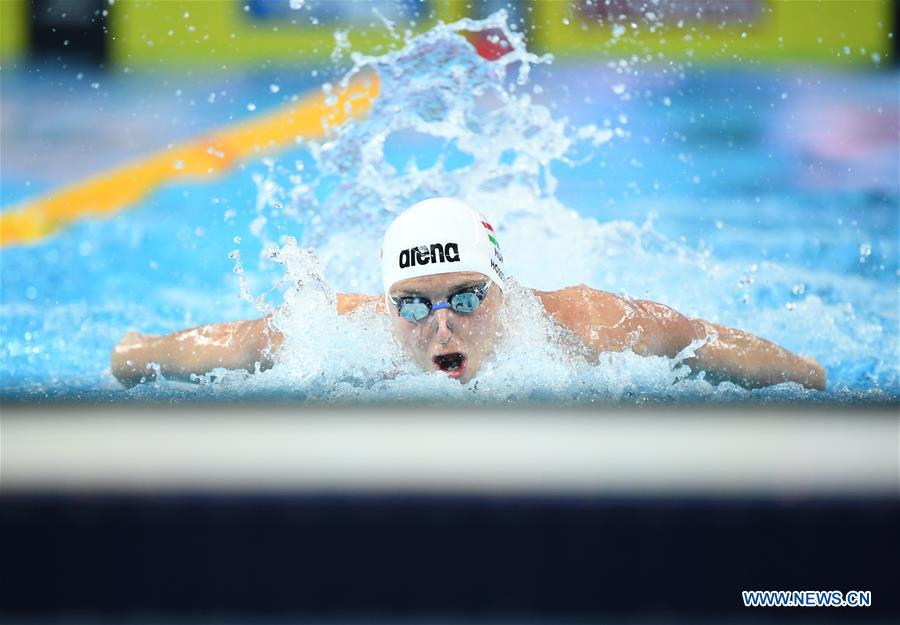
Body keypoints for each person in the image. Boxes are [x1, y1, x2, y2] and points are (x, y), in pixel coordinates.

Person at [111, 198, 826, 390]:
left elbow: (700, 338)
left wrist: (807, 374)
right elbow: (237, 341)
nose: (441, 325)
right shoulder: (346, 334)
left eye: (465, 297)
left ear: (503, 287)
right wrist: (138, 352)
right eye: (415, 304)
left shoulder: (586, 325)